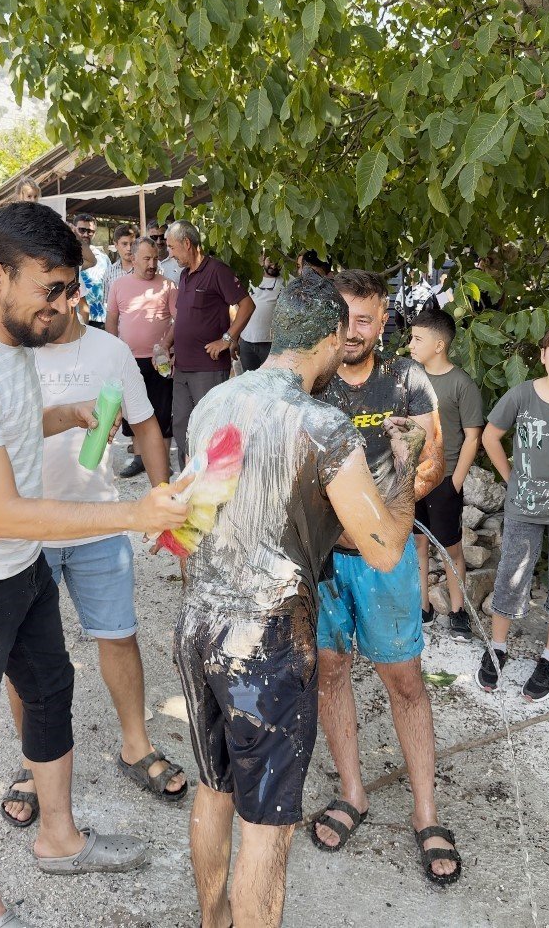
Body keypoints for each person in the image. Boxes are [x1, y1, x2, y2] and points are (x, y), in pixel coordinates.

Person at [175, 272, 426, 928]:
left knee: (214, 785)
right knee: (266, 828)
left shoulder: (217, 403)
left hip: (199, 621)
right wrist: (404, 466)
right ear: (332, 338)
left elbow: (187, 524)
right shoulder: (322, 424)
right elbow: (384, 546)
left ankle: (212, 919)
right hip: (267, 643)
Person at [0, 202, 190, 928]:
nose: (67, 304)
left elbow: (3, 433)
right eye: (53, 288)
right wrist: (135, 512)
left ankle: (59, 839)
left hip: (21, 565)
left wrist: (59, 419)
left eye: (72, 289)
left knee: (50, 684)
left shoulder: (9, 350)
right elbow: (2, 509)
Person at [2, 288, 187, 831]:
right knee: (24, 656)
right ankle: (34, 762)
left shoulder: (110, 352)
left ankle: (136, 744)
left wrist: (164, 501)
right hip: (27, 524)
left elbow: (147, 427)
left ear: (73, 294)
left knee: (119, 634)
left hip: (99, 521)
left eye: (53, 296)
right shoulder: (10, 351)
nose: (45, 309)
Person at [313, 270, 461, 887]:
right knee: (328, 671)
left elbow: (433, 459)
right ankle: (353, 791)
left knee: (404, 679)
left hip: (388, 557)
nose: (353, 331)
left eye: (365, 319)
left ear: (383, 322)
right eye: (343, 318)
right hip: (320, 558)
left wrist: (379, 517)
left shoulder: (406, 379)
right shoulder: (312, 379)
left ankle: (426, 812)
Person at [476, 324, 549, 702]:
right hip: (523, 508)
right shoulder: (522, 394)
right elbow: (490, 436)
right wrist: (511, 478)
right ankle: (497, 647)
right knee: (511, 576)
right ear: (543, 355)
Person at [409, 308, 484, 639]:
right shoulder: (410, 378)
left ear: (439, 345)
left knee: (450, 548)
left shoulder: (461, 384)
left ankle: (458, 611)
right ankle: (421, 605)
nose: (410, 344)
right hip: (413, 480)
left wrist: (455, 481)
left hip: (444, 480)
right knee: (417, 544)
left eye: (417, 339)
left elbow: (474, 436)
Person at [165, 220, 255, 469]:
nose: (170, 255)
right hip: (181, 366)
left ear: (187, 243)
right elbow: (182, 319)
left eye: (172, 248)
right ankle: (188, 481)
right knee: (182, 425)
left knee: (209, 427)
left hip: (208, 366)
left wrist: (227, 339)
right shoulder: (184, 276)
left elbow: (247, 305)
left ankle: (212, 484)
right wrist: (165, 345)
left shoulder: (217, 271)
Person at [106, 236, 177, 478]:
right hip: (129, 359)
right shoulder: (118, 285)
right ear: (133, 258)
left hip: (160, 360)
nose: (152, 264)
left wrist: (167, 345)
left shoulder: (168, 285)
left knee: (162, 409)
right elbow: (112, 321)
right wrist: (114, 352)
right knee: (133, 410)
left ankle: (163, 461)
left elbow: (178, 321)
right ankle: (139, 459)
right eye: (146, 258)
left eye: (155, 258)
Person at [238, 254, 283, 371]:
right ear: (263, 260)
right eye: (271, 261)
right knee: (249, 384)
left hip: (271, 344)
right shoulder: (250, 280)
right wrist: (234, 338)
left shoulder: (286, 282)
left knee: (271, 382)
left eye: (277, 262)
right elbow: (240, 309)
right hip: (246, 342)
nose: (274, 265)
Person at [71, 213, 112, 329]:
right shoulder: (68, 255)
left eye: (90, 231)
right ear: (74, 230)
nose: (85, 234)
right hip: (76, 318)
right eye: (81, 230)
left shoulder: (103, 258)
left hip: (100, 318)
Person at [104, 224, 135, 305]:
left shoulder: (148, 268)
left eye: (132, 244)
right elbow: (107, 304)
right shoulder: (110, 272)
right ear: (116, 244)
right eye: (124, 244)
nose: (129, 248)